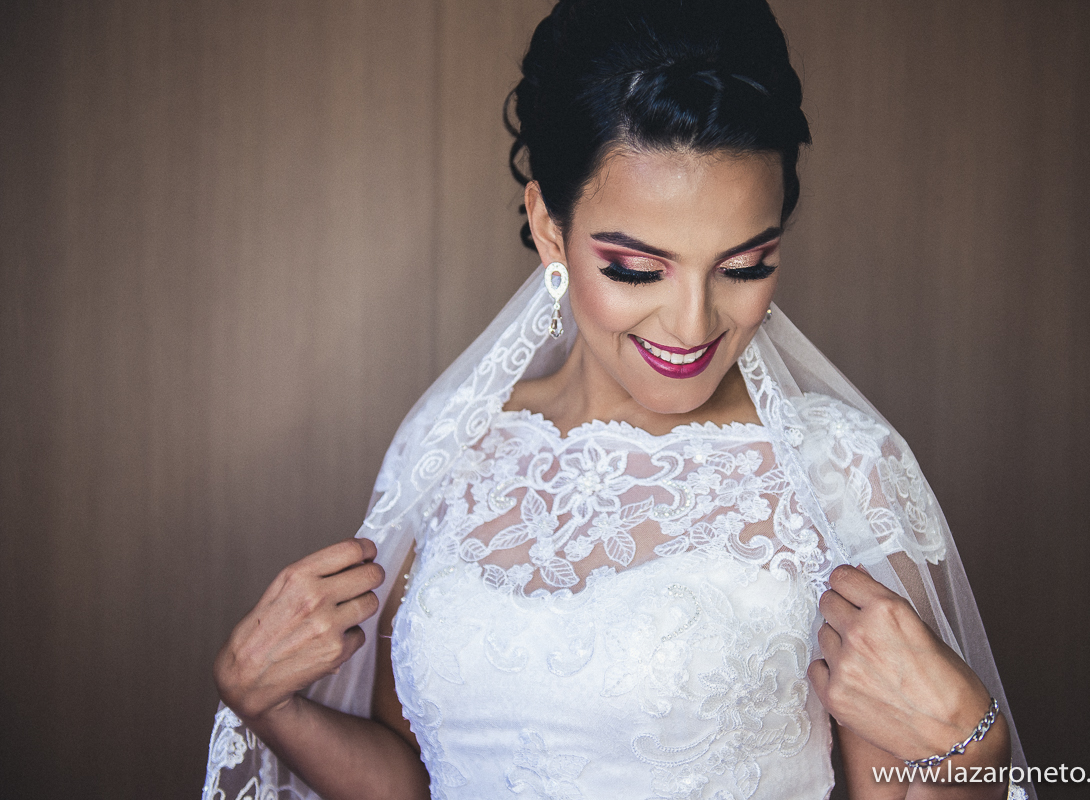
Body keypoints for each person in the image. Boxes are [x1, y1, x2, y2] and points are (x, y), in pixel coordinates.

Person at [204, 1, 1034, 798]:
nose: (692, 323)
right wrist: (265, 703)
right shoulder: (455, 444)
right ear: (549, 228)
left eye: (744, 266)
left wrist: (975, 751)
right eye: (637, 269)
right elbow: (421, 780)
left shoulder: (838, 471)